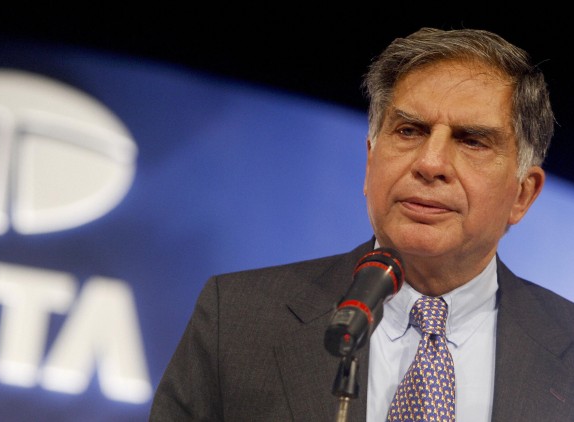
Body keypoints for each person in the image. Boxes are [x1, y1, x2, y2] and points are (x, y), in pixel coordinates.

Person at [149, 27, 574, 421]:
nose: (430, 163)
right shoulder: (236, 319)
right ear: (370, 162)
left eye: (472, 141)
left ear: (523, 194)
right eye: (409, 131)